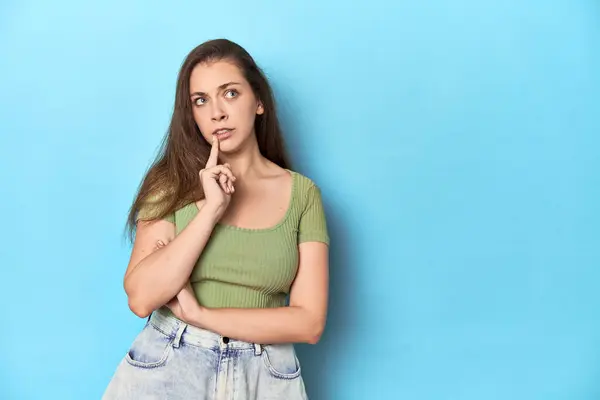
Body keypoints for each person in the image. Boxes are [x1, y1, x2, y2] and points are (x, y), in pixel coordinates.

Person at [102, 38, 330, 399]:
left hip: (266, 375)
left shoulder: (303, 195)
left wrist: (200, 314)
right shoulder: (170, 181)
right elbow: (142, 297)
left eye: (230, 93)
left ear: (258, 102)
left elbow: (309, 322)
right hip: (169, 366)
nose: (216, 113)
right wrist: (210, 210)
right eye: (201, 100)